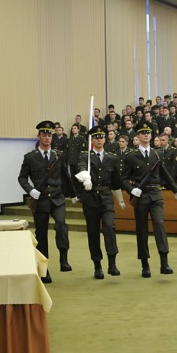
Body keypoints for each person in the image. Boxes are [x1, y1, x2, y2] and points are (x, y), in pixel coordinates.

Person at [121, 122, 177, 278]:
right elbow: (123, 178)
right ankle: (145, 265)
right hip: (140, 197)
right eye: (143, 133)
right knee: (141, 230)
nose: (147, 135)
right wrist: (130, 189)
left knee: (159, 225)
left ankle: (164, 262)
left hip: (155, 194)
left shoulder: (157, 154)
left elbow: (164, 173)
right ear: (138, 136)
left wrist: (175, 189)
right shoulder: (130, 156)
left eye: (148, 132)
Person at [18, 120, 72, 284]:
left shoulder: (58, 155)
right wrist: (30, 190)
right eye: (44, 134)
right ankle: (44, 269)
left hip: (57, 198)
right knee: (41, 235)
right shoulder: (30, 157)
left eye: (50, 134)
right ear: (39, 136)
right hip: (40, 199)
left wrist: (75, 194)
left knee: (61, 225)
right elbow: (22, 177)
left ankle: (64, 258)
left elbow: (65, 176)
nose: (47, 137)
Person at [74, 125, 124, 279]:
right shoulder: (86, 156)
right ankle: (97, 265)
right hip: (90, 198)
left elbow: (116, 182)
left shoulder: (112, 157)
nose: (99, 140)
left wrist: (120, 199)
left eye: (101, 137)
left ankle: (112, 263)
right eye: (96, 137)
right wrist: (86, 177)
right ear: (92, 140)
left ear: (105, 138)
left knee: (109, 227)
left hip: (106, 197)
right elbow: (80, 167)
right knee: (93, 232)